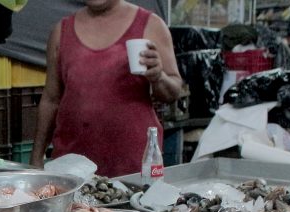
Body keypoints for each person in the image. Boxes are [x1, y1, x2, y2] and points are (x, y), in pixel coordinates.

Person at [30, 0, 183, 177]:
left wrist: (158, 77)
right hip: (72, 169)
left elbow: (173, 91)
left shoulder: (151, 25)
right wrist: (36, 158)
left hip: (133, 166)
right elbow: (51, 99)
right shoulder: (61, 32)